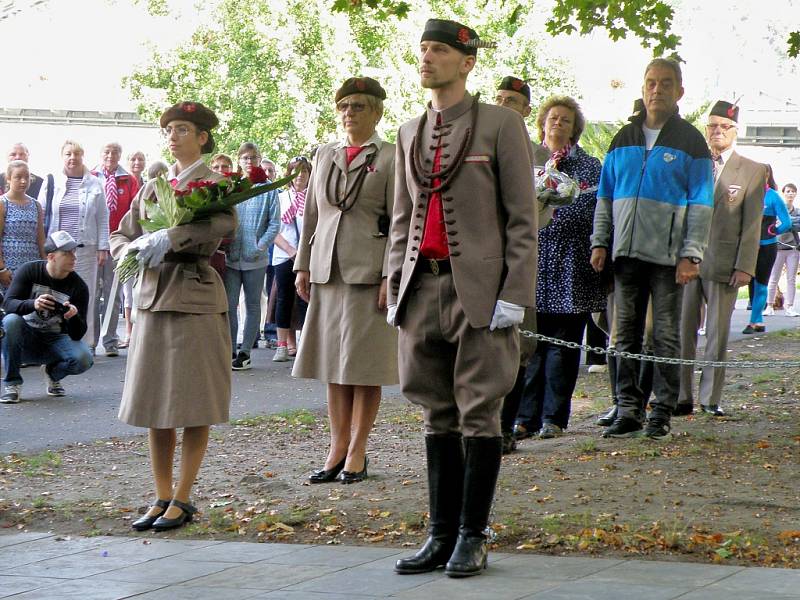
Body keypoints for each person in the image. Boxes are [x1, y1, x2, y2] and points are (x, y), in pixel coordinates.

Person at [388, 19, 537, 577]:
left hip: (481, 289)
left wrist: (515, 293)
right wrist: (393, 286)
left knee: (480, 412)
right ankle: (439, 533)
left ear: (467, 62)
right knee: (435, 411)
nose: (427, 58)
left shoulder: (501, 125)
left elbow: (523, 219)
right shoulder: (408, 132)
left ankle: (473, 535)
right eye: (424, 49)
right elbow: (402, 218)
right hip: (420, 285)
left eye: (440, 50)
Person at [109, 101, 236, 532]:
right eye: (170, 130)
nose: (174, 136)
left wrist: (172, 238)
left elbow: (223, 224)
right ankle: (161, 493)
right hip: (151, 298)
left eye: (183, 129)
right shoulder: (153, 185)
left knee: (193, 401)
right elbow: (122, 231)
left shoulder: (217, 183)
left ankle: (184, 496)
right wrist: (128, 250)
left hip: (193, 296)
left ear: (202, 137)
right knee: (154, 403)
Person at [590, 57, 713, 439]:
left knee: (665, 335)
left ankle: (661, 409)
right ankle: (627, 407)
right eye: (650, 83)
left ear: (679, 91)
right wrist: (599, 241)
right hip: (625, 255)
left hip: (668, 258)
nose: (656, 89)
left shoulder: (691, 142)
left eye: (665, 83)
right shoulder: (622, 139)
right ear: (642, 89)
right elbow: (605, 198)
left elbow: (701, 204)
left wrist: (692, 254)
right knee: (623, 335)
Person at [293, 77, 398, 484]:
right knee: (333, 366)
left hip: (367, 271)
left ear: (377, 112)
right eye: (343, 106)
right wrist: (302, 264)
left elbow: (398, 222)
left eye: (358, 106)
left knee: (363, 365)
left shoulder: (390, 156)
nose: (349, 112)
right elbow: (312, 214)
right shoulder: (324, 153)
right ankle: (336, 447)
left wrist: (391, 274)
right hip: (327, 269)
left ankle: (358, 450)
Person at [512, 96, 605, 440]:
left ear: (575, 128)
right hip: (533, 262)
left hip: (572, 265)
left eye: (565, 120)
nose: (558, 124)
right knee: (530, 344)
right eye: (552, 118)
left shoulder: (590, 166)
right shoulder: (526, 160)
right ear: (542, 122)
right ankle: (525, 418)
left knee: (564, 346)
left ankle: (554, 419)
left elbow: (596, 209)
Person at [678, 101, 765, 417]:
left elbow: (752, 224)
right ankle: (681, 396)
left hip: (725, 264)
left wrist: (745, 265)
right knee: (682, 331)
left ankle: (710, 398)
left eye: (724, 126)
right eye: (712, 126)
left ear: (735, 130)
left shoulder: (753, 170)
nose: (717, 131)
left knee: (716, 335)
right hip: (687, 262)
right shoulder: (693, 164)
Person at [0, 231, 93, 403]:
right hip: (26, 336)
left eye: (74, 252)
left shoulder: (79, 287)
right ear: (51, 257)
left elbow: (78, 334)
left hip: (56, 339)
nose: (73, 257)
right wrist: (32, 304)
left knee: (84, 359)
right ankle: (12, 384)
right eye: (67, 253)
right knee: (10, 321)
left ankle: (53, 373)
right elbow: (8, 304)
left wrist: (73, 316)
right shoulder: (30, 270)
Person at [38, 141, 109, 351]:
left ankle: (85, 343)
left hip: (85, 250)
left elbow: (103, 217)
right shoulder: (51, 181)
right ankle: (52, 341)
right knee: (53, 294)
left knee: (84, 295)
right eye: (68, 153)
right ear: (62, 156)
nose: (72, 157)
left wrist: (103, 247)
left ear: (83, 156)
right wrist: (43, 247)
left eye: (77, 154)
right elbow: (41, 213)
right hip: (57, 252)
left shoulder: (95, 183)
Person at [226, 142, 280, 370]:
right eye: (245, 158)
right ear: (239, 160)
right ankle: (229, 348)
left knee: (252, 304)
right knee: (229, 305)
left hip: (255, 258)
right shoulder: (233, 186)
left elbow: (274, 223)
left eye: (253, 157)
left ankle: (245, 351)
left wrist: (260, 246)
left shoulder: (268, 189)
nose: (250, 161)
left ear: (259, 159)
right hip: (231, 256)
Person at [92, 142, 140, 357]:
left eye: (115, 152)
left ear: (120, 155)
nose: (110, 156)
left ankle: (110, 340)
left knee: (114, 294)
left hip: (117, 244)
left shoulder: (128, 180)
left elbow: (135, 211)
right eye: (106, 151)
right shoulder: (91, 177)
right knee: (92, 294)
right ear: (101, 154)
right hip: (93, 245)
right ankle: (89, 341)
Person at [743, 165, 791, 334]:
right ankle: (757, 320)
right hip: (747, 246)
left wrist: (773, 231)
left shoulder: (773, 196)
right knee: (747, 280)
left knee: (760, 282)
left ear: (767, 175)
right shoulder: (747, 194)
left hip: (766, 246)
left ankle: (755, 320)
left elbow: (786, 222)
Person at [270, 156, 310, 361]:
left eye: (304, 171)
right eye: (296, 171)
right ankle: (282, 345)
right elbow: (273, 229)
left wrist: (304, 253)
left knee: (305, 298)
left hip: (307, 256)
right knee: (284, 299)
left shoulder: (314, 198)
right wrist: (290, 250)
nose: (300, 176)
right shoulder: (280, 198)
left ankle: (304, 346)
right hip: (284, 254)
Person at [0, 161, 46, 291]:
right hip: (9, 269)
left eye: (26, 177)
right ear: (8, 179)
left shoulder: (36, 205)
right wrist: (1, 269)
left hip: (32, 266)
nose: (23, 181)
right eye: (18, 177)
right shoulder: (3, 204)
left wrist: (45, 266)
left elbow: (41, 239)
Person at [766, 183, 799, 316]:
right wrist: (789, 222)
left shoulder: (797, 211)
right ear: (783, 193)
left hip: (793, 248)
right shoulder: (779, 208)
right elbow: (777, 223)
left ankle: (790, 306)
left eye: (793, 191)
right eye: (788, 191)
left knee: (791, 279)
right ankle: (769, 305)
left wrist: (789, 222)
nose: (790, 194)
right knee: (773, 277)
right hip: (778, 247)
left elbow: (796, 225)